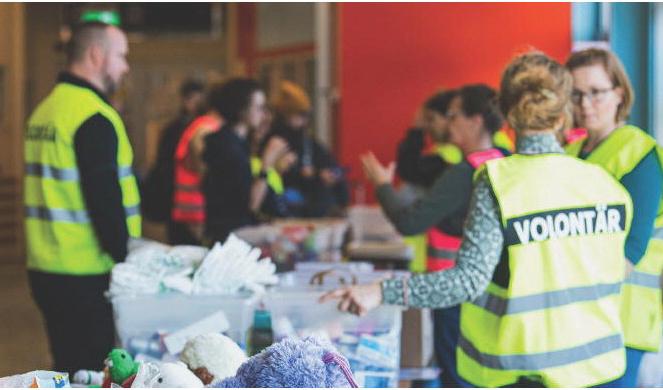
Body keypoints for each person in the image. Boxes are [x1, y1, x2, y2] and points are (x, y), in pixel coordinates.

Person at [322, 51, 634, 388]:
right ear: (564, 116)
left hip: (525, 372)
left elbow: (468, 281)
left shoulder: (499, 181)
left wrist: (380, 292)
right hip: (597, 370)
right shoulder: (605, 185)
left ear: (507, 114)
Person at [362, 84, 507, 387]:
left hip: (452, 290)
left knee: (457, 373)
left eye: (453, 115)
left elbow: (411, 221)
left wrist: (382, 185)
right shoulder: (508, 158)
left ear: (476, 120)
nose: (447, 123)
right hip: (497, 292)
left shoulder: (465, 172)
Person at [24, 22, 140, 374]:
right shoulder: (93, 116)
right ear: (96, 55)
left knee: (67, 367)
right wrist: (128, 258)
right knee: (92, 373)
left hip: (45, 268)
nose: (125, 67)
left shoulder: (46, 110)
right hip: (87, 272)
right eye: (121, 56)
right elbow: (104, 201)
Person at [565, 48, 663, 387]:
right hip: (579, 317)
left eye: (596, 92)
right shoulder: (571, 154)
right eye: (575, 94)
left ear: (619, 93)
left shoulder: (638, 152)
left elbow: (632, 249)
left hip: (622, 319)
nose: (585, 104)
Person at [203, 78, 289, 243]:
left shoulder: (237, 143)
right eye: (259, 108)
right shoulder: (227, 148)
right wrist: (267, 162)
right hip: (230, 236)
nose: (264, 115)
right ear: (241, 110)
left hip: (232, 231)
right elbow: (251, 204)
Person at [267, 81, 349, 217]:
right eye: (301, 115)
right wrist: (315, 176)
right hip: (290, 211)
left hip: (312, 209)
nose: (305, 121)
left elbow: (331, 168)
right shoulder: (276, 142)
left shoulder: (308, 143)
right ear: (286, 114)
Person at [142, 79, 205, 242]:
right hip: (176, 196)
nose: (196, 105)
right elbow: (164, 162)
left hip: (195, 199)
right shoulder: (175, 129)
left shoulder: (203, 126)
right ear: (185, 100)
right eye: (193, 100)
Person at [171, 83, 225, 245]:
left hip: (191, 206)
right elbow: (204, 170)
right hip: (195, 208)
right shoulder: (207, 128)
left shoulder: (201, 124)